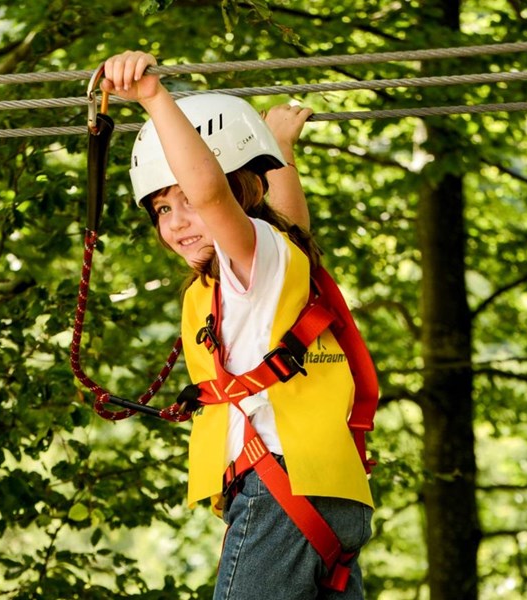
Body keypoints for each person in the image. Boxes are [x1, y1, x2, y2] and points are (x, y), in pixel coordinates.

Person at [100, 50, 374, 600]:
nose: (177, 221)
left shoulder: (247, 255)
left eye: (186, 201)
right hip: (326, 495)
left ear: (236, 193)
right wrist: (282, 151)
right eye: (161, 210)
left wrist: (155, 99)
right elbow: (294, 223)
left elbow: (212, 194)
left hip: (281, 491)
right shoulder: (274, 261)